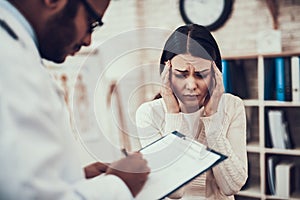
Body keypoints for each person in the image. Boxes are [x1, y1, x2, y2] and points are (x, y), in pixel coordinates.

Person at [0, 0, 150, 199]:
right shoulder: (9, 62)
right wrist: (119, 185)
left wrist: (75, 177)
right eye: (91, 22)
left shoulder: (14, 48)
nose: (88, 40)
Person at [136, 24, 248, 199]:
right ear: (167, 72)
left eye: (201, 74)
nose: (191, 85)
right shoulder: (149, 113)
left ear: (216, 73)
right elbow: (174, 192)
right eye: (181, 74)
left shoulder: (233, 106)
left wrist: (212, 118)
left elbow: (232, 187)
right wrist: (173, 115)